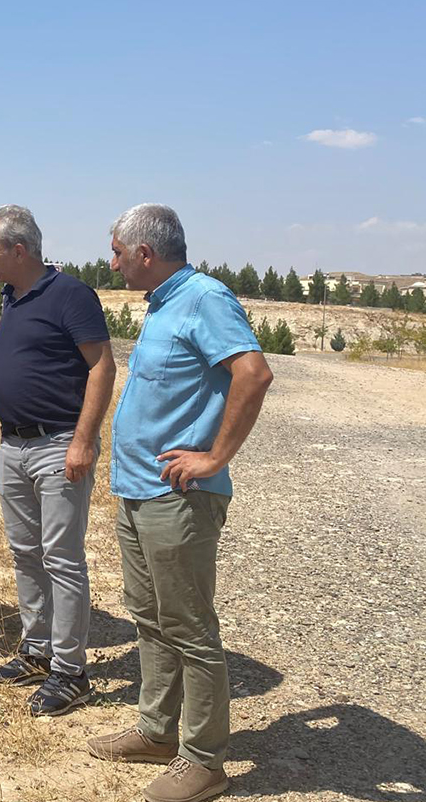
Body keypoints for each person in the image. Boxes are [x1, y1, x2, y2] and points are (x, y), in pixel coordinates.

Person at [87, 204, 272, 802]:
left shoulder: (205, 298)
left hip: (180, 496)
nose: (111, 262)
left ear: (145, 253)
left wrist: (214, 458)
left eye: (117, 252)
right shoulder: (164, 305)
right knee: (148, 616)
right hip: (138, 491)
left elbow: (254, 373)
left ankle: (204, 761)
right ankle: (157, 731)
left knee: (189, 626)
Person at [0, 204, 115, 716]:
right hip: (12, 444)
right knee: (25, 552)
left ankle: (71, 671)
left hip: (58, 445)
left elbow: (101, 366)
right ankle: (37, 651)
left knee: (61, 558)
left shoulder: (71, 295)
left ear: (19, 250)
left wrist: (84, 439)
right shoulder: (12, 298)